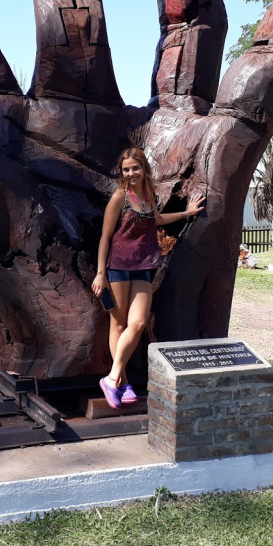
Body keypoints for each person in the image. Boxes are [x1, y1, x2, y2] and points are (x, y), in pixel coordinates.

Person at [91, 147, 205, 409]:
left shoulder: (148, 196)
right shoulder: (119, 197)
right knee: (119, 326)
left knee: (139, 322)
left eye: (135, 168)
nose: (131, 173)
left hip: (143, 266)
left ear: (144, 169)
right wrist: (100, 274)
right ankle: (122, 382)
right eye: (126, 169)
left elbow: (156, 220)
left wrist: (187, 213)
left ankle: (111, 378)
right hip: (118, 267)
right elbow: (105, 237)